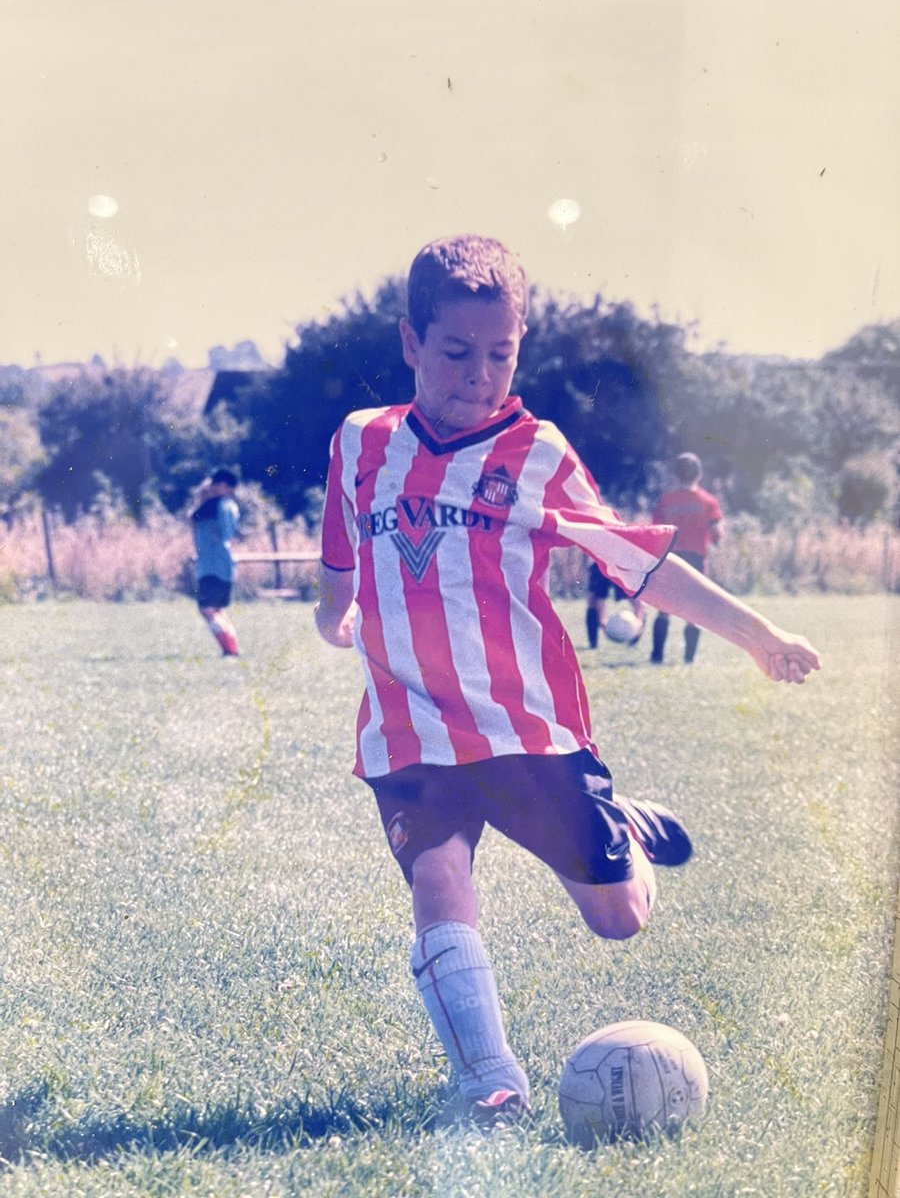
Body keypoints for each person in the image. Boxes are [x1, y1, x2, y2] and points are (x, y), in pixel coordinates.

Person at [314, 235, 819, 1129]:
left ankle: (622, 824)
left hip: (528, 729)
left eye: (501, 354)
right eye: (456, 352)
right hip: (410, 726)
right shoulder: (362, 442)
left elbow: (640, 563)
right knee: (437, 876)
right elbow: (339, 560)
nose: (480, 375)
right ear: (410, 342)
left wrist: (759, 635)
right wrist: (334, 619)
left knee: (618, 918)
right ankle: (490, 1081)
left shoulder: (536, 454)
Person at [649, 453, 722, 665]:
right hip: (695, 557)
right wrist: (715, 541)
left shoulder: (666, 500)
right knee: (695, 608)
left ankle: (657, 655)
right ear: (699, 474)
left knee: (664, 606)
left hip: (670, 557)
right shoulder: (708, 501)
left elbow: (655, 530)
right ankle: (689, 658)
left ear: (676, 474)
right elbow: (717, 531)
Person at [191, 467, 241, 657]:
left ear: (226, 486)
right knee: (215, 609)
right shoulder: (208, 505)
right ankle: (231, 647)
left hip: (217, 566)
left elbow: (227, 533)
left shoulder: (225, 506)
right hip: (208, 565)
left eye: (216, 484)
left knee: (207, 608)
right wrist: (203, 497)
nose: (211, 487)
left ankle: (230, 649)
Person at [585, 560, 645, 647]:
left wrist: (638, 622)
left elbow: (637, 603)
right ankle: (593, 643)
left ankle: (634, 639)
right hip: (601, 560)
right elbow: (599, 598)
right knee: (593, 599)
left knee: (635, 596)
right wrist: (603, 623)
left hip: (624, 562)